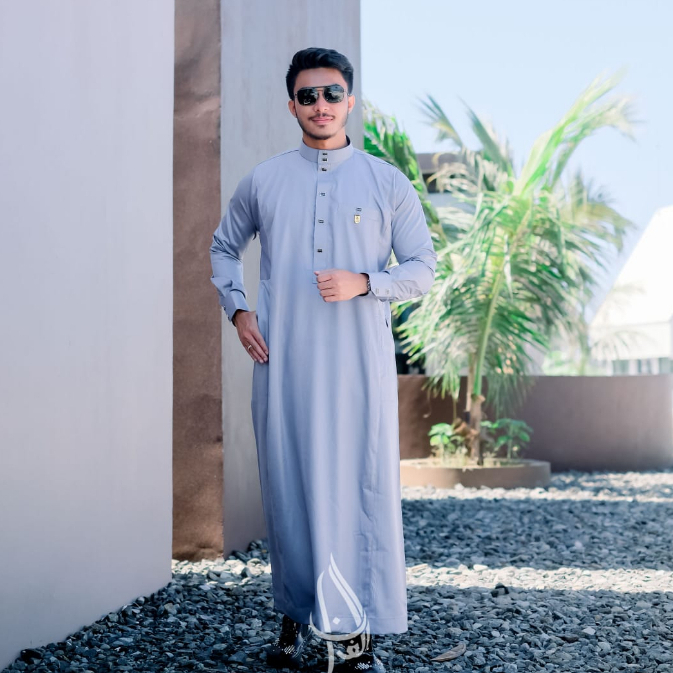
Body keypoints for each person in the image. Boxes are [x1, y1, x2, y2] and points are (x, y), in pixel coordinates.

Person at [209, 47, 437, 672]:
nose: (321, 105)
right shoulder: (264, 180)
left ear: (349, 102)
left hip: (357, 368)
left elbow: (423, 268)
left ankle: (353, 633)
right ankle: (296, 609)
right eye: (308, 95)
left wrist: (366, 281)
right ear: (292, 106)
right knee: (289, 488)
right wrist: (239, 311)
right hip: (282, 364)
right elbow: (224, 247)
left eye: (332, 94)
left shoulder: (385, 182)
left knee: (355, 490)